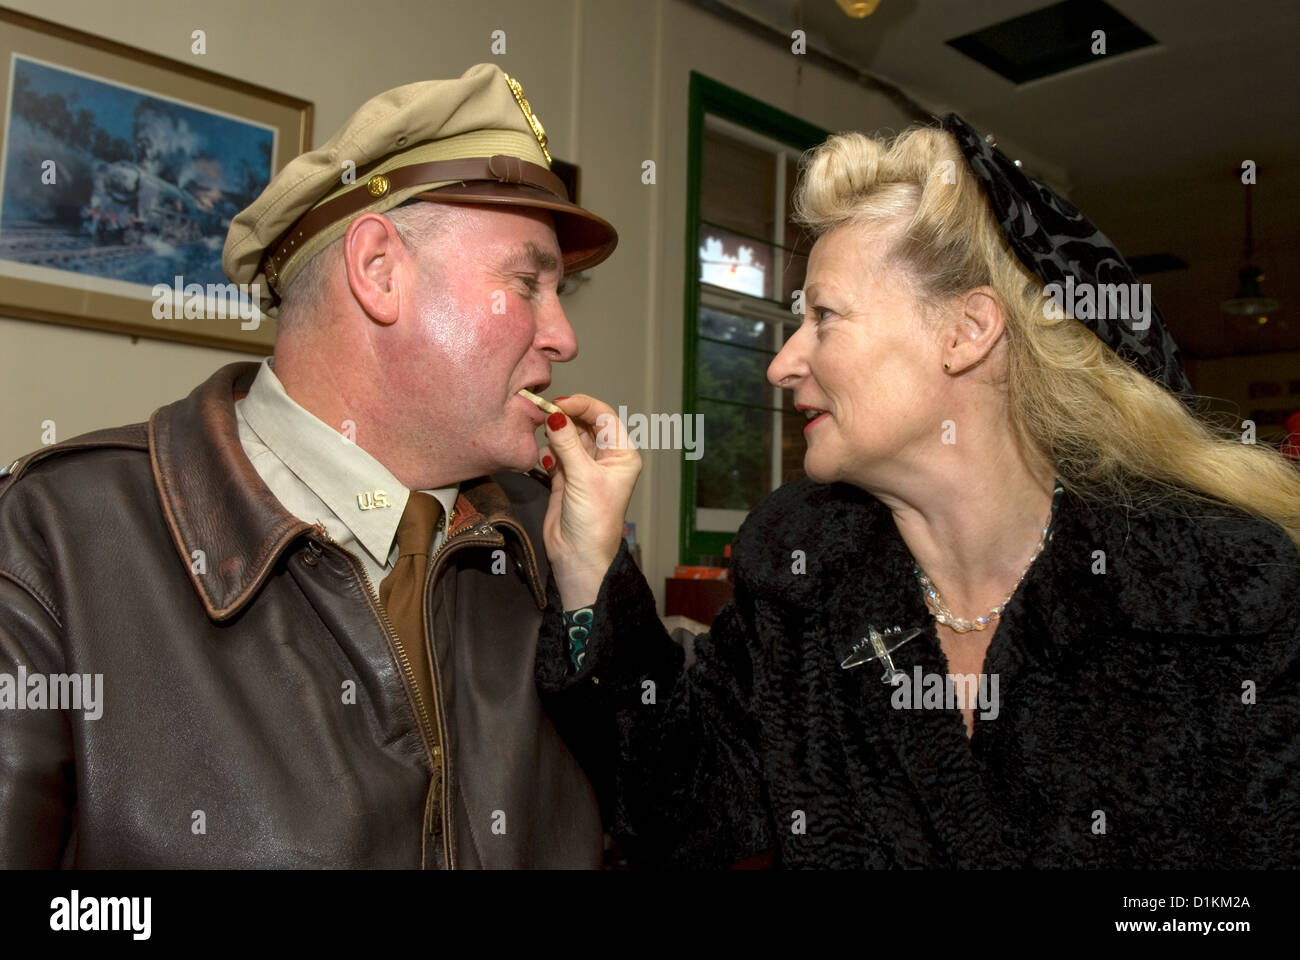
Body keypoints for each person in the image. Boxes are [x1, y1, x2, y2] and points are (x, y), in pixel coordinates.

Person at [534, 114, 1300, 868]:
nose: (782, 364)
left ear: (966, 332)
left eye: (823, 316)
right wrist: (591, 562)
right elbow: (686, 813)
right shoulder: (798, 566)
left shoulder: (1224, 590)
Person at [0, 64, 620, 868]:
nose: (564, 337)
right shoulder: (59, 538)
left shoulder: (553, 538)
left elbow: (678, 815)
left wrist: (598, 599)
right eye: (528, 282)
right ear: (378, 270)